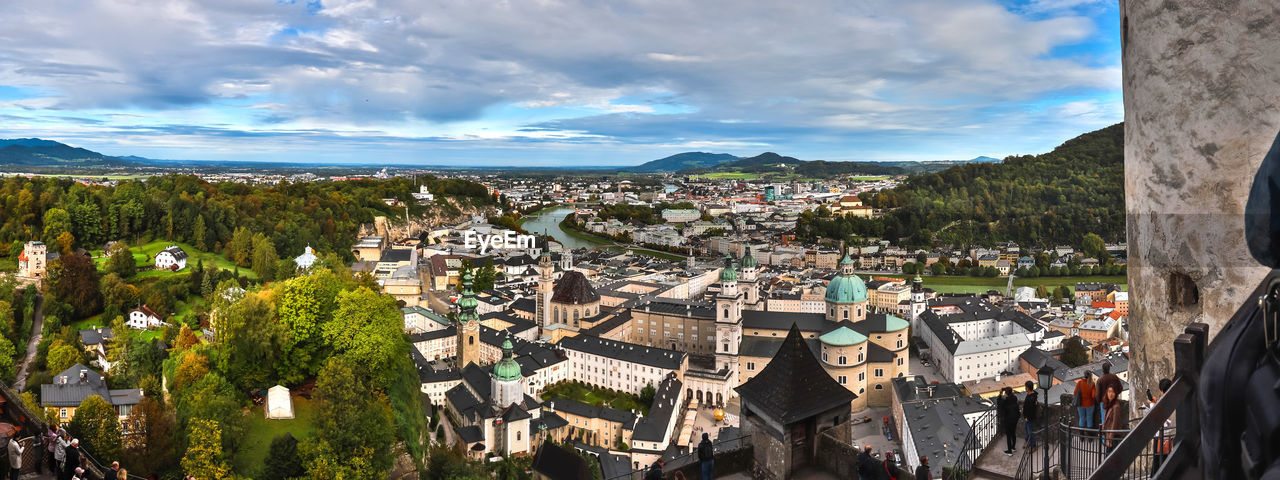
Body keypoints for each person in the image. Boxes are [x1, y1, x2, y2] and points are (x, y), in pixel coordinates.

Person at [1095, 362, 1122, 427]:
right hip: (1114, 401)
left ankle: (1105, 436)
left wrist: (1098, 401)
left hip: (1103, 402)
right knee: (1114, 419)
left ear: (1102, 369)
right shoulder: (1114, 377)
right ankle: (1112, 435)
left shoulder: (1100, 379)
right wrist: (1114, 394)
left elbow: (1098, 393)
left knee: (1104, 420)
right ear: (1109, 368)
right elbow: (1120, 388)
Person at [1101, 385, 1125, 455]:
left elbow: (1115, 424)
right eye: (1109, 392)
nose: (1110, 394)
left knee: (1109, 458)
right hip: (1109, 436)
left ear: (1116, 394)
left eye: (1113, 392)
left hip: (1113, 437)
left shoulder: (1116, 407)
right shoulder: (1109, 404)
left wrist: (1110, 440)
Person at [998, 387, 1021, 456]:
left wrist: (1000, 394)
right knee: (1013, 433)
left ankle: (1009, 451)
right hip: (1015, 418)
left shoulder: (1005, 400)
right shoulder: (1014, 398)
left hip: (1008, 419)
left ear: (1006, 393)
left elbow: (999, 403)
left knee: (1008, 435)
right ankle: (1013, 447)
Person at [1023, 380, 1039, 449]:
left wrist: (1027, 417)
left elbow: (1032, 410)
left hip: (1030, 418)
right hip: (1027, 417)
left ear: (1028, 388)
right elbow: (1026, 406)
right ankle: (1027, 442)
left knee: (1031, 432)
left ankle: (1033, 446)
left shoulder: (1032, 398)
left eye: (1025, 387)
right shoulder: (1029, 394)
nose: (1025, 388)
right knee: (1027, 431)